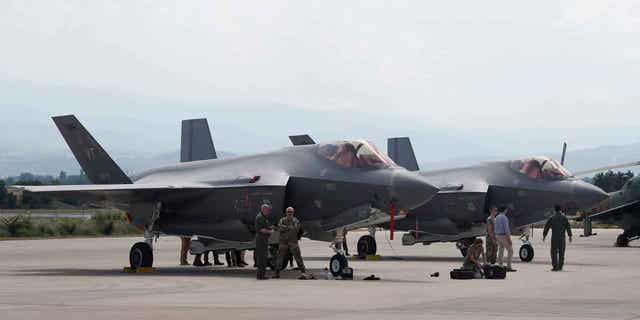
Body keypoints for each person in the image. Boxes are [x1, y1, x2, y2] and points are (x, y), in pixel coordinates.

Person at [274, 207, 306, 278]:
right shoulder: (282, 220)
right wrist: (289, 227)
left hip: (293, 242)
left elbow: (296, 229)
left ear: (293, 213)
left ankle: (303, 272)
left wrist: (285, 228)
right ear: (286, 212)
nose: (289, 213)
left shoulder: (296, 220)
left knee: (298, 258)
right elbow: (279, 227)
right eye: (288, 212)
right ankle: (277, 273)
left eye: (291, 212)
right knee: (279, 258)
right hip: (283, 242)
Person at [543, 205, 573, 271]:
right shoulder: (564, 218)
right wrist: (570, 236)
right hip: (562, 238)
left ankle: (555, 267)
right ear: (560, 210)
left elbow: (546, 227)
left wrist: (544, 235)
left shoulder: (552, 218)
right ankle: (560, 266)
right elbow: (568, 227)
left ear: (555, 210)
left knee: (553, 252)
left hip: (554, 238)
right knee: (561, 252)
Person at [255, 203, 274, 280]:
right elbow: (261, 229)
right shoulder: (260, 217)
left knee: (264, 258)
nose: (268, 211)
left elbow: (266, 227)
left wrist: (271, 227)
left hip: (264, 239)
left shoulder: (264, 217)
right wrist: (270, 231)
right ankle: (260, 275)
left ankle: (262, 275)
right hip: (261, 239)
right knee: (261, 258)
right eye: (267, 210)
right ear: (263, 209)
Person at [495, 206, 516, 272]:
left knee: (501, 250)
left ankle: (500, 265)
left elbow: (495, 227)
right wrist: (509, 239)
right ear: (505, 210)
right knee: (510, 251)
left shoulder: (497, 217)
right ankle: (508, 266)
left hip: (498, 235)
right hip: (504, 235)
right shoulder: (504, 218)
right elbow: (506, 229)